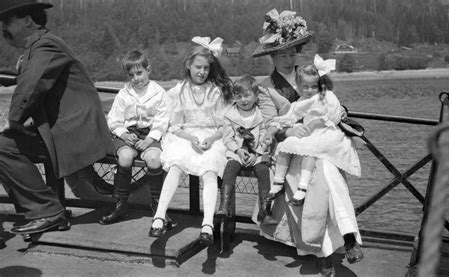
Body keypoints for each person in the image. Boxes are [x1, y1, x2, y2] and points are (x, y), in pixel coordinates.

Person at [253, 9, 363, 276]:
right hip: (290, 149)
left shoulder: (311, 75)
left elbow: (330, 103)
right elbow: (270, 123)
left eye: (292, 53)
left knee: (327, 176)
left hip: (321, 143)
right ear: (272, 56)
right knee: (323, 180)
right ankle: (337, 245)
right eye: (282, 54)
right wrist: (289, 134)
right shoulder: (267, 87)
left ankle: (337, 244)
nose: (289, 59)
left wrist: (340, 114)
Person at [0, 0, 113, 235]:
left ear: (28, 21)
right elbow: (25, 79)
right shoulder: (35, 47)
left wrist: (10, 122)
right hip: (62, 129)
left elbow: (30, 87)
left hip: (74, 132)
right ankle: (41, 210)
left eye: (7, 22)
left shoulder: (45, 46)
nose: (3, 29)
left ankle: (47, 211)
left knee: (3, 145)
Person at [149, 36, 233, 246]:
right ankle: (159, 217)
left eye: (206, 68)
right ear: (188, 65)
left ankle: (207, 224)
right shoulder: (178, 92)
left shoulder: (216, 90)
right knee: (176, 164)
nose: (202, 72)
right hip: (186, 136)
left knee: (210, 169)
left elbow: (225, 124)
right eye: (198, 67)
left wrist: (212, 139)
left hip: (213, 137)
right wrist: (191, 138)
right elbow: (175, 125)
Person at [264, 55, 361, 206]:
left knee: (311, 151)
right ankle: (278, 182)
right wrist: (278, 129)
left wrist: (338, 112)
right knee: (285, 147)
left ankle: (302, 188)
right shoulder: (280, 91)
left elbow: (333, 112)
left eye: (313, 87)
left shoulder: (324, 96)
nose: (310, 90)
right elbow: (289, 116)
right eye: (306, 87)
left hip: (324, 133)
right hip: (304, 133)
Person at [99, 50, 173, 227]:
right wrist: (124, 133)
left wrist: (149, 139)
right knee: (125, 158)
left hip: (151, 133)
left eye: (139, 73)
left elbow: (163, 121)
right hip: (129, 133)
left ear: (149, 70)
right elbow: (114, 120)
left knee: (154, 159)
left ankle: (158, 208)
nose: (136, 78)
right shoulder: (124, 94)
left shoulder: (159, 93)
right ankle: (120, 204)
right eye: (131, 75)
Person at [216, 75, 277, 224]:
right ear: (234, 97)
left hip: (256, 153)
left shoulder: (260, 115)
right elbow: (227, 138)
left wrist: (257, 153)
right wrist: (237, 150)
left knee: (263, 171)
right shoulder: (230, 116)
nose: (244, 100)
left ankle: (264, 210)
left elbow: (264, 136)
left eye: (247, 95)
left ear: (256, 96)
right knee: (229, 170)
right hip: (237, 153)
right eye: (239, 96)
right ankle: (224, 206)